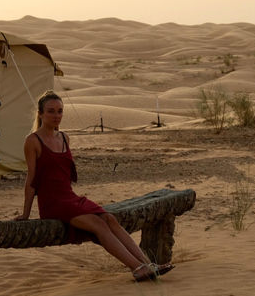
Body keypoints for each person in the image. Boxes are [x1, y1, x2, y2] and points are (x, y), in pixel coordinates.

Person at [14, 90, 173, 282]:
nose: (56, 116)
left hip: (70, 196)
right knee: (99, 224)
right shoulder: (32, 141)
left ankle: (148, 264)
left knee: (110, 219)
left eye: (60, 111)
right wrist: (25, 213)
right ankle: (137, 268)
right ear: (40, 114)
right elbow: (31, 178)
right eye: (51, 111)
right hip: (53, 202)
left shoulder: (64, 137)